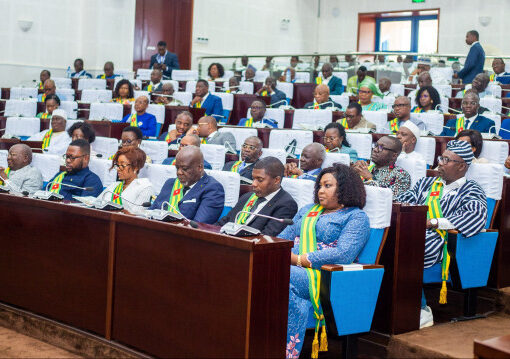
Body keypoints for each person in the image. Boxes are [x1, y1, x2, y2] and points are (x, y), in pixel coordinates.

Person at [280, 163, 370, 358]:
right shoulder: (307, 210)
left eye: (327, 186)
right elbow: (282, 239)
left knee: (277, 275)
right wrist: (275, 253)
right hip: (290, 266)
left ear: (345, 188)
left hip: (325, 277)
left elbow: (344, 253)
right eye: (319, 186)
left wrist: (297, 259)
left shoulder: (356, 217)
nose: (321, 190)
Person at [396, 140, 488, 328]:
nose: (440, 163)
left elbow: (475, 217)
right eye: (441, 158)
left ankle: (421, 310)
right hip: (415, 233)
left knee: (408, 250)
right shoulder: (426, 183)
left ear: (462, 166)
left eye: (447, 160)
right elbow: (402, 202)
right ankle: (397, 309)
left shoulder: (471, 189)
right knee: (395, 243)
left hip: (445, 241)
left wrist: (434, 222)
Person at [217, 156, 298, 235]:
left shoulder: (286, 204)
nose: (253, 184)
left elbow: (266, 237)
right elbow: (224, 222)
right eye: (253, 178)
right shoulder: (247, 196)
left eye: (260, 180)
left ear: (277, 180)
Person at [150, 146, 225, 224]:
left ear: (200, 167)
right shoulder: (170, 183)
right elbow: (151, 212)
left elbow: (198, 225)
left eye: (184, 169)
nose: (179, 172)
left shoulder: (213, 189)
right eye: (177, 168)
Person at [97, 146, 154, 214]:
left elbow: (137, 215)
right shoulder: (114, 185)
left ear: (135, 168)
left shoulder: (144, 187)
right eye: (118, 165)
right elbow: (96, 203)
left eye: (122, 165)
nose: (118, 169)